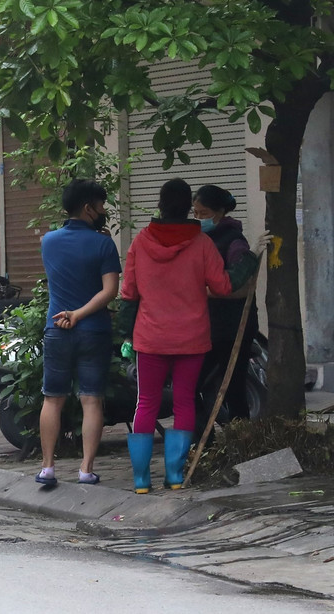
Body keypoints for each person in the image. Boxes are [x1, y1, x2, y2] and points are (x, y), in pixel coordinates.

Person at [120, 178, 255, 493]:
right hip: (191, 338)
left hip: (150, 338)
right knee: (183, 402)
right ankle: (176, 477)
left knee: (146, 403)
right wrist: (248, 264)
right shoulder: (202, 244)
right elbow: (222, 286)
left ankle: (141, 481)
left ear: (160, 205)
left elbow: (129, 292)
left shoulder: (140, 242)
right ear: (188, 209)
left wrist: (125, 330)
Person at [35, 179, 121, 487]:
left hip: (56, 328)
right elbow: (111, 290)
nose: (102, 211)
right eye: (100, 206)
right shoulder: (103, 244)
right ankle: (85, 469)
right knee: (91, 400)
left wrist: (70, 314)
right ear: (88, 208)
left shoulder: (48, 241)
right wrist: (81, 314)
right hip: (93, 330)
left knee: (52, 399)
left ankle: (47, 468)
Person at [193, 185, 258, 426]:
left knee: (233, 386)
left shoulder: (234, 241)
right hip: (206, 327)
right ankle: (204, 440)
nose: (198, 218)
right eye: (195, 213)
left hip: (233, 326)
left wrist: (205, 292)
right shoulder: (200, 239)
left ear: (219, 212)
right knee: (192, 385)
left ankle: (241, 441)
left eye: (203, 213)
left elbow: (243, 287)